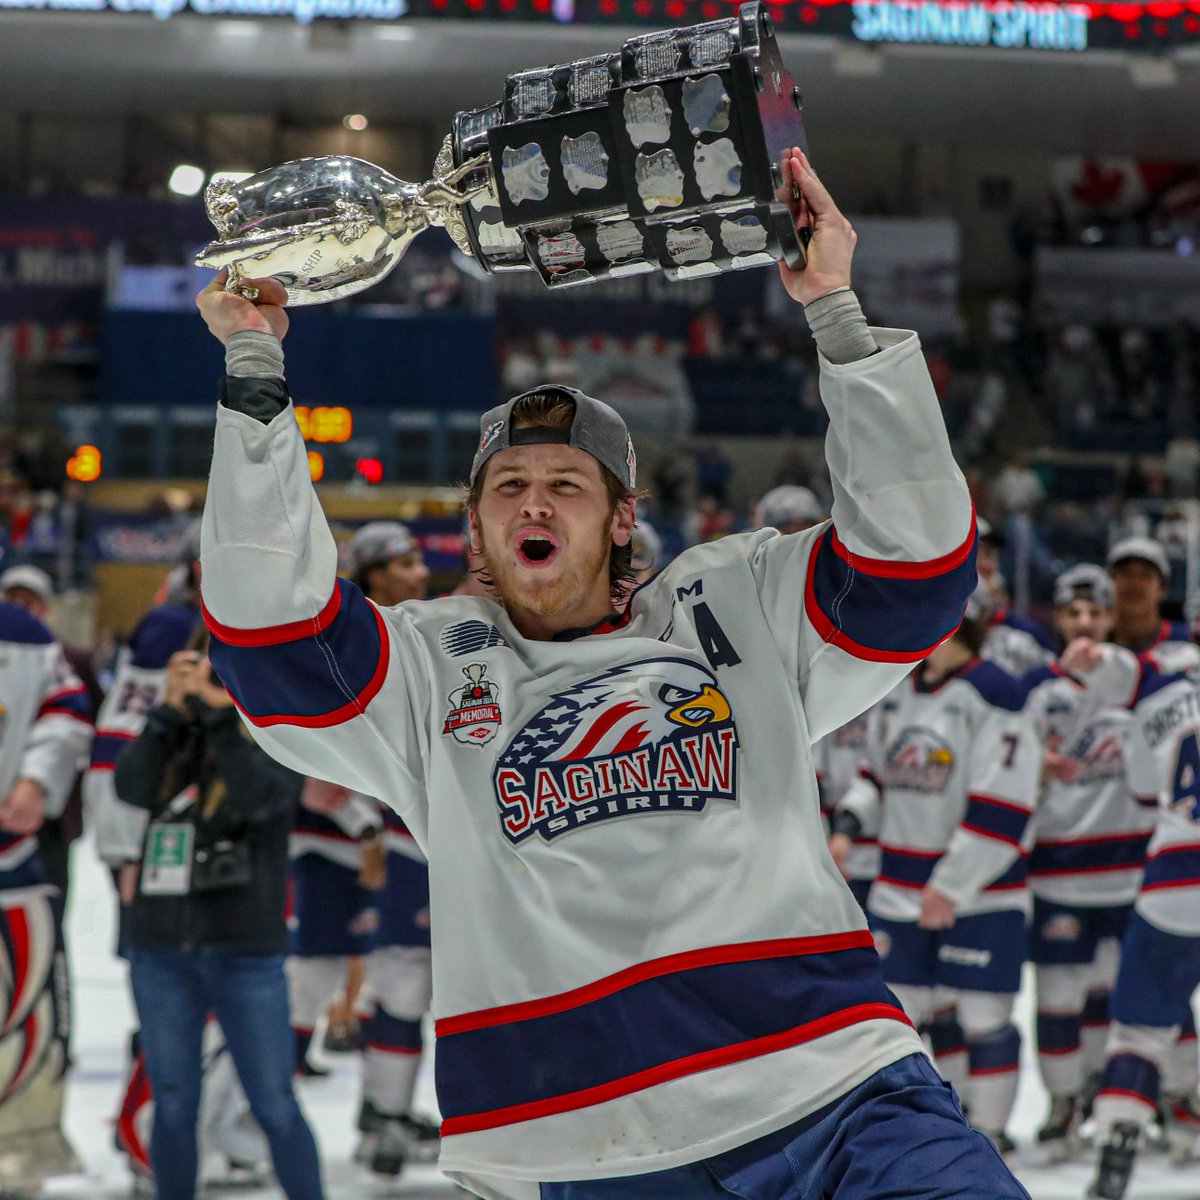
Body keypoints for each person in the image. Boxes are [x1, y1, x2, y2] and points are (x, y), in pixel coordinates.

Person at [195, 147, 1029, 1199]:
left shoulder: (733, 603)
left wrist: (837, 318)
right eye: (508, 487)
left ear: (624, 516)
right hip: (582, 1141)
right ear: (478, 528)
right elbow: (272, 642)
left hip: (837, 1086)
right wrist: (256, 371)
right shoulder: (428, 671)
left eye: (565, 485)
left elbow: (916, 566)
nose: (534, 505)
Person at [113, 644, 325, 1200]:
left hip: (244, 950)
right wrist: (167, 713)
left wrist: (222, 716)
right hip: (160, 945)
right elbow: (129, 788)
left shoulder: (275, 729)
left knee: (274, 1100)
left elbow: (263, 799)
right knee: (174, 1097)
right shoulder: (173, 730)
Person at [831, 594, 1039, 1154]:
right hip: (900, 890)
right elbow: (874, 775)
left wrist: (951, 884)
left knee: (982, 1015)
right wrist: (849, 823)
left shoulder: (997, 691)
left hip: (982, 893)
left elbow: (1005, 802)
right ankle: (942, 1131)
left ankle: (989, 1137)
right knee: (902, 1015)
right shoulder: (898, 689)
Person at [1059, 638, 1200, 1198]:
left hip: (1174, 879)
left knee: (1140, 1030)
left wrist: (1097, 660)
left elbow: (1145, 791)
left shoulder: (1165, 678)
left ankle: (1118, 1149)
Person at [1020, 565, 1153, 1158]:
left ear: (1109, 618)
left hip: (1129, 870)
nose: (1084, 623)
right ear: (1056, 616)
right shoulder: (1033, 692)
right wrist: (1032, 771)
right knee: (1057, 998)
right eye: (1073, 613)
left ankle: (1115, 1096)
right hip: (1058, 872)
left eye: (1095, 613)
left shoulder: (1136, 688)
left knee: (1117, 996)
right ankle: (1062, 1102)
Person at [0, 596, 93, 1194]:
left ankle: (21, 1147)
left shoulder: (24, 634)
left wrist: (36, 779)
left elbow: (67, 711)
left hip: (12, 867)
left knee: (29, 1009)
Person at [1106, 536, 1198, 672]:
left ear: (1163, 587)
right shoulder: (1092, 642)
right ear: (1109, 582)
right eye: (1125, 573)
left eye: (1145, 574)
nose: (1134, 583)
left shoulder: (1189, 640)